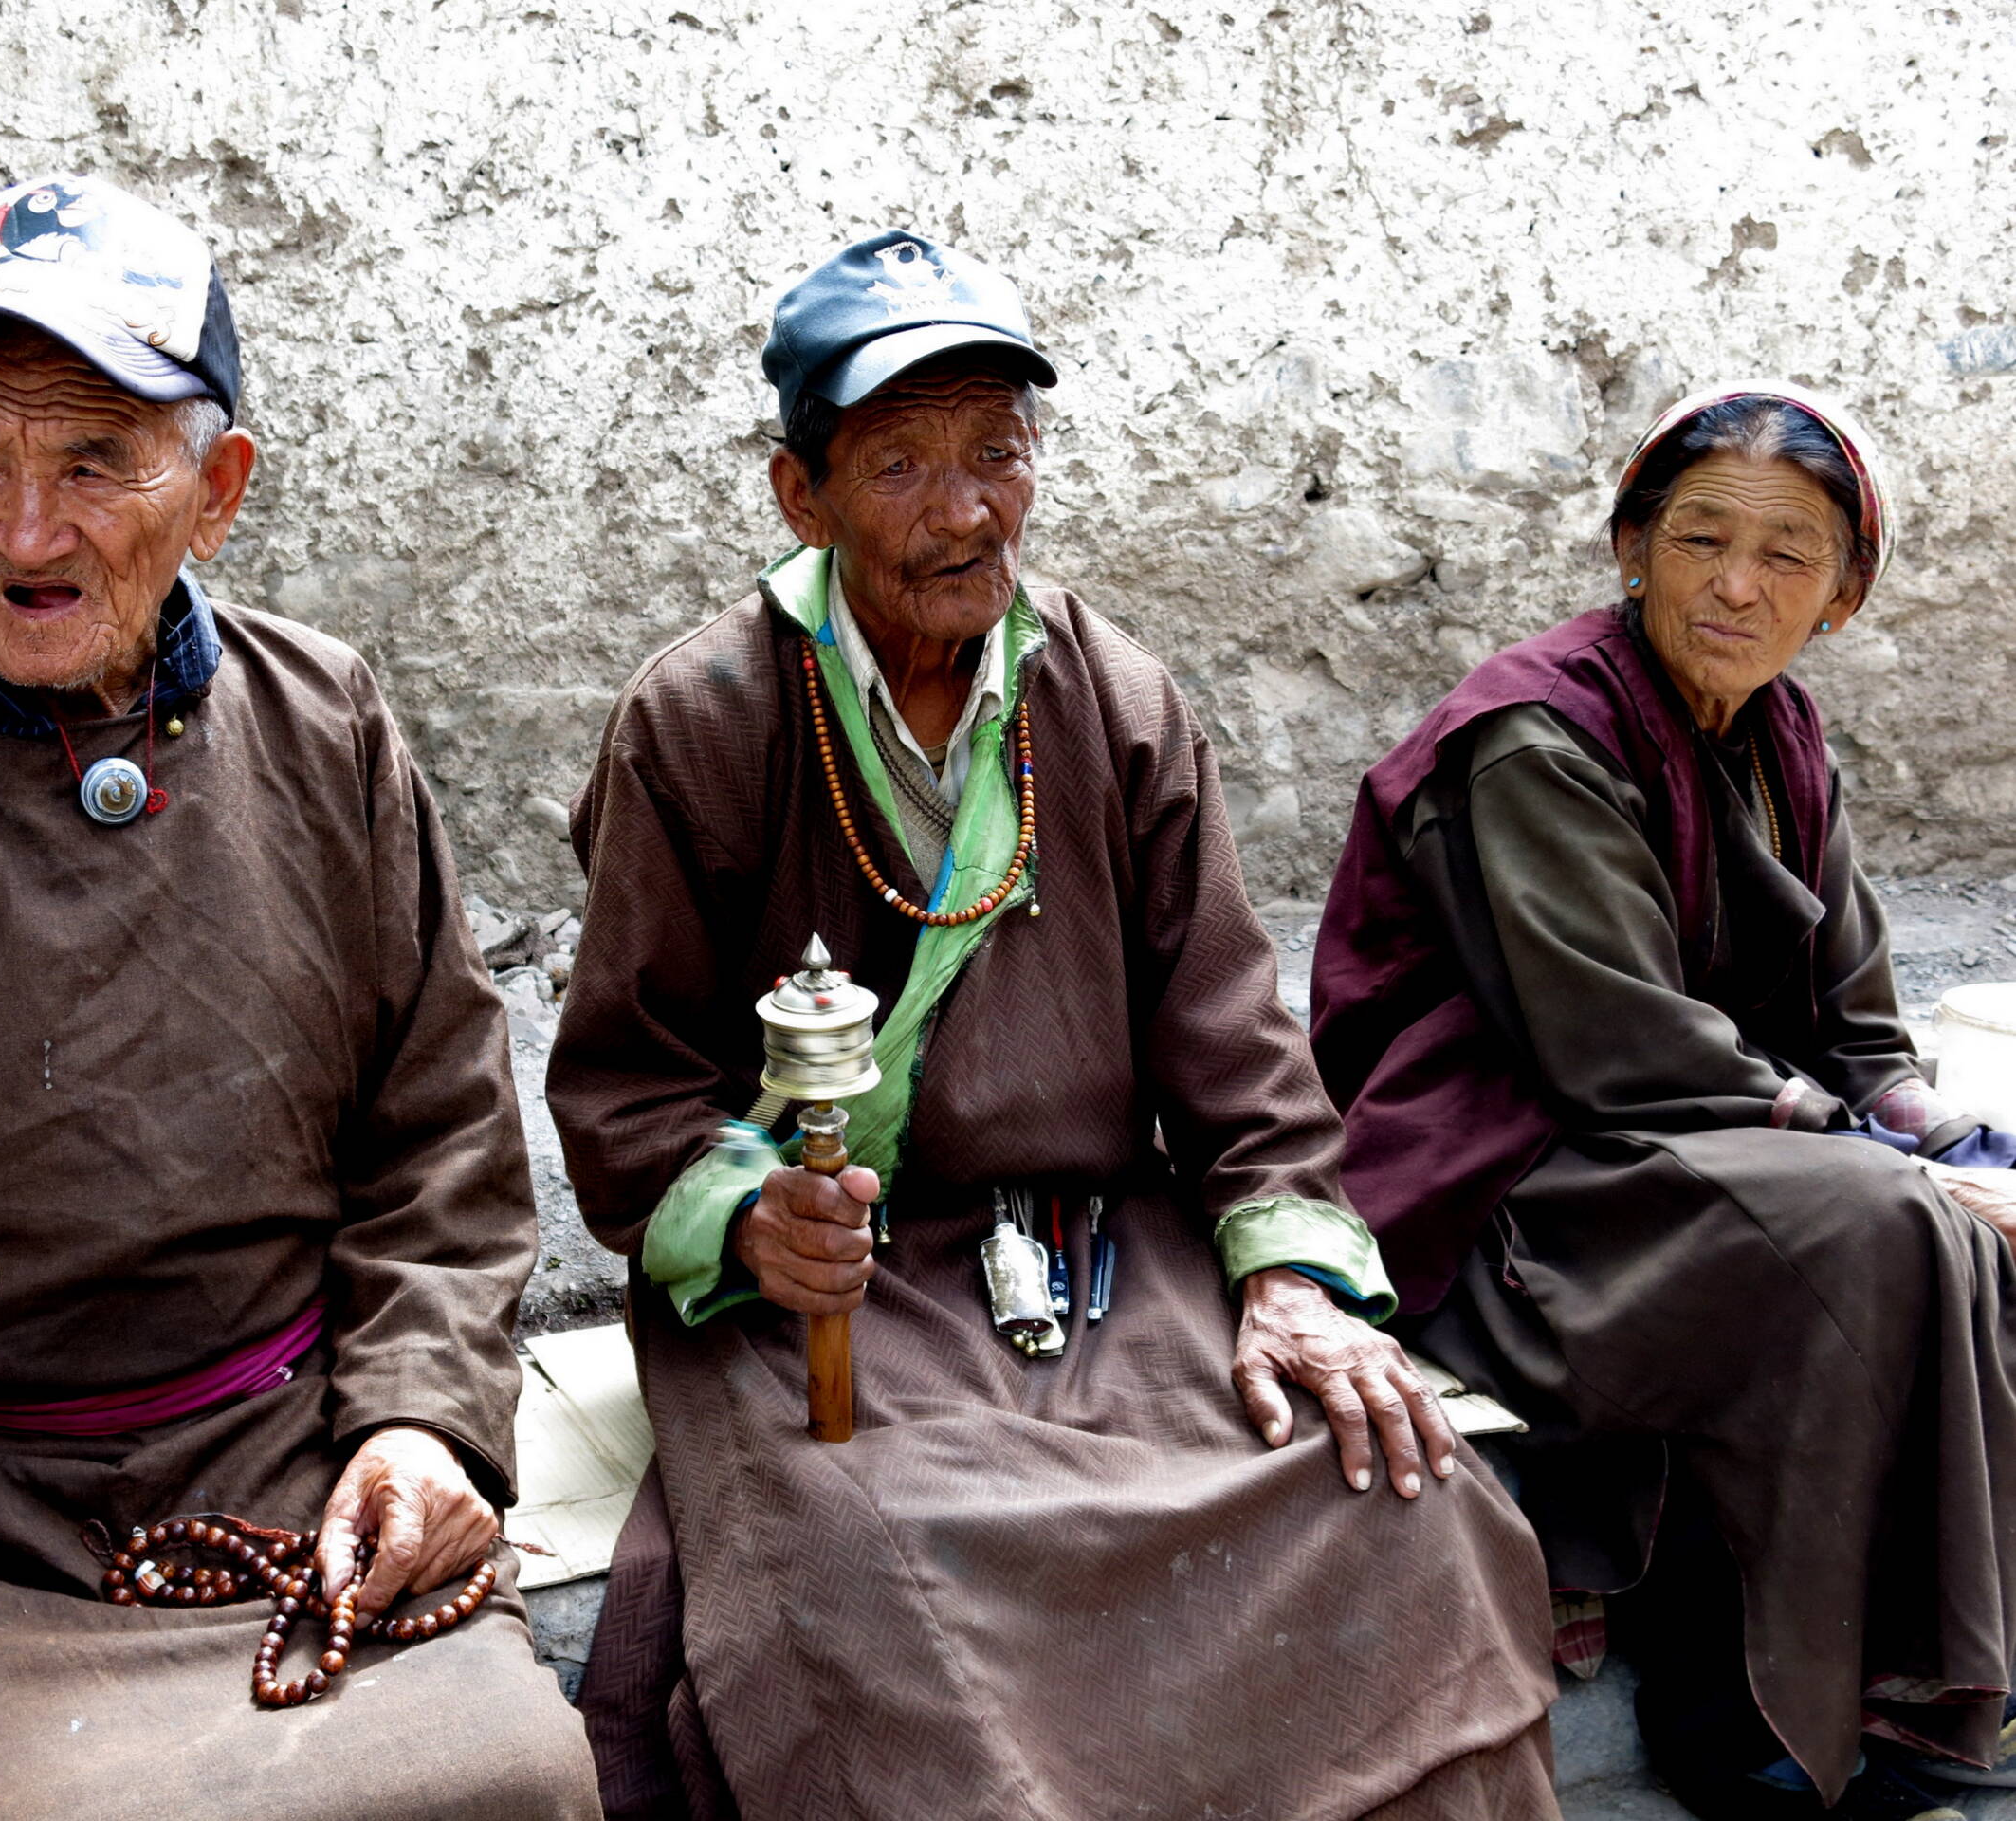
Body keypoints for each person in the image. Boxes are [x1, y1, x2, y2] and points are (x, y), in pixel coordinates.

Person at [0, 174, 600, 1819]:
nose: (27, 529)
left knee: (512, 1774)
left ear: (216, 491)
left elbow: (440, 1142)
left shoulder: (327, 726)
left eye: (92, 461)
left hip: (287, 1469)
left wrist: (421, 1426)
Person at [547, 229, 1558, 1820]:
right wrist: (749, 1221)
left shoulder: (1116, 696)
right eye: (902, 464)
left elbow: (1236, 1044)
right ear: (797, 496)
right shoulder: (709, 715)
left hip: (1096, 1253)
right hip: (838, 1278)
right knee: (889, 1574)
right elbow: (625, 1086)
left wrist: (1293, 1281)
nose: (966, 510)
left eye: (1000, 456)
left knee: (1391, 1500)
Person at [1310, 381, 2016, 1821]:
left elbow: (1861, 1028)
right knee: (1875, 1224)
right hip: (1511, 1177)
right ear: (1632, 547)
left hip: (1688, 1149)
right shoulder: (1534, 737)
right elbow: (1620, 1049)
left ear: (1846, 590)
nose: (1737, 586)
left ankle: (1918, 1681)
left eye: (1788, 555)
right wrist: (1885, 1162)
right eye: (1700, 540)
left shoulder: (1784, 743)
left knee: (1968, 1217)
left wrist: (1964, 1147)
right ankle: (1755, 1711)